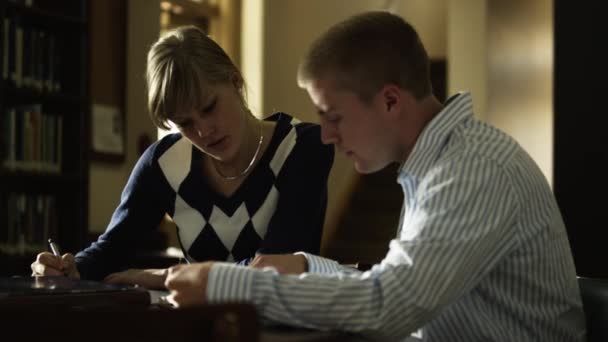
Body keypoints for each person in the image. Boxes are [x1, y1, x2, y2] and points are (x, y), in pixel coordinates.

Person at [161, 11, 586, 341]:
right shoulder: (437, 165)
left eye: (334, 117)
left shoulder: (471, 170)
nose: (326, 136)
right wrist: (306, 266)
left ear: (388, 101)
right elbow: (396, 283)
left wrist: (226, 284)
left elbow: (388, 307)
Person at [30, 26, 334, 288]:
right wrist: (71, 269)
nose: (203, 131)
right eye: (185, 123)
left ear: (235, 82)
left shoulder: (303, 147)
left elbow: (275, 270)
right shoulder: (164, 162)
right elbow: (112, 250)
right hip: (192, 327)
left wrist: (166, 276)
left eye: (209, 107)